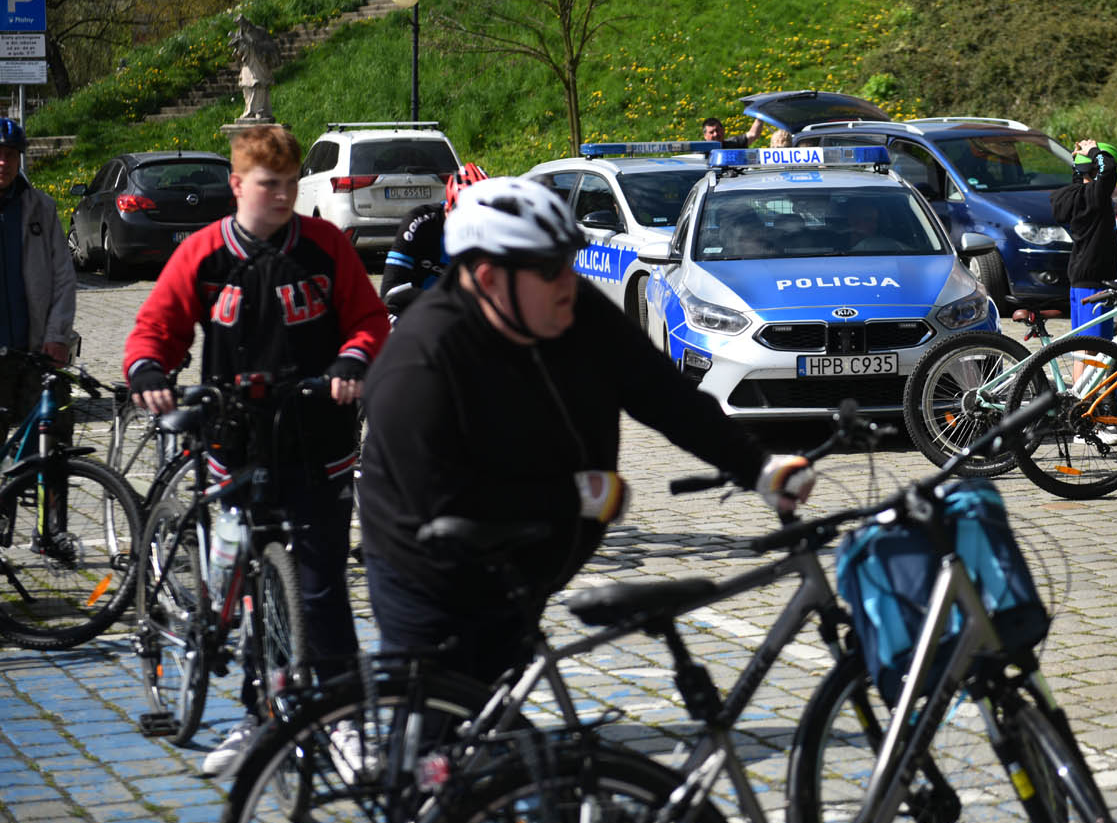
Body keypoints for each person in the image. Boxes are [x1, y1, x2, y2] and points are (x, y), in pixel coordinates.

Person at [356, 177, 814, 690]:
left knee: (501, 738)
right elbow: (443, 500)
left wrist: (757, 467)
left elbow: (660, 391)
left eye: (570, 262)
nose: (568, 281)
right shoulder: (420, 364)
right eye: (550, 269)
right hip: (430, 574)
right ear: (486, 279)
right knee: (438, 733)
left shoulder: (565, 308)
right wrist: (575, 495)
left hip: (533, 564)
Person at [123, 123, 389, 777]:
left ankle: (345, 723)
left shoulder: (325, 247)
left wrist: (353, 361)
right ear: (238, 185)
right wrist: (150, 371)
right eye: (270, 185)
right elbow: (156, 325)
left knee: (321, 590)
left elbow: (367, 319)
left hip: (316, 443)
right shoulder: (205, 253)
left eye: (292, 184)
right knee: (239, 590)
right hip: (233, 446)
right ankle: (258, 714)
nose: (282, 196)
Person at [0, 117, 76, 442]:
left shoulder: (40, 208)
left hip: (34, 351)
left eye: (11, 155)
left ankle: (44, 492)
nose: (3, 162)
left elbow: (63, 276)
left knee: (45, 444)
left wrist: (57, 334)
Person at [380, 163, 488, 319]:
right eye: (462, 218)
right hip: (415, 312)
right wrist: (448, 303)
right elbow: (390, 292)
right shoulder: (420, 222)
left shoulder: (496, 230)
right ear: (448, 209)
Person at [1050, 139, 1117, 341]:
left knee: (1082, 349)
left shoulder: (1076, 196)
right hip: (1094, 283)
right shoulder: (1095, 196)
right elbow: (1108, 173)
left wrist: (1079, 164)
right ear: (1094, 172)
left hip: (1079, 280)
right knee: (1095, 350)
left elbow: (1084, 179)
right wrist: (1093, 151)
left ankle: (1079, 375)